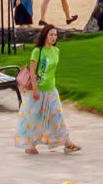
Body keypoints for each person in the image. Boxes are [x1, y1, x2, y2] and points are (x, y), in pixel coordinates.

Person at [17, 23, 82, 155]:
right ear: (45, 35)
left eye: (55, 35)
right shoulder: (38, 51)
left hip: (51, 90)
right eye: (51, 34)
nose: (53, 37)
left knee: (57, 116)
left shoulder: (56, 51)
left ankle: (67, 143)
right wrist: (35, 90)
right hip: (38, 91)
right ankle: (30, 145)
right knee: (33, 118)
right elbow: (33, 72)